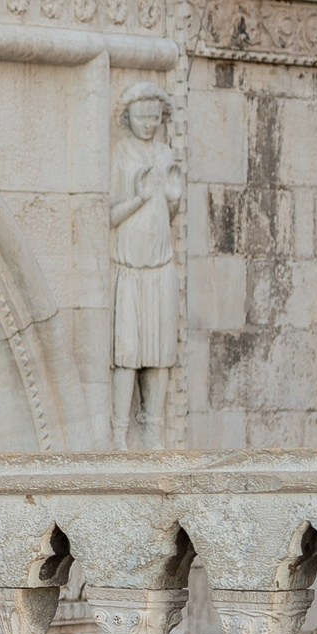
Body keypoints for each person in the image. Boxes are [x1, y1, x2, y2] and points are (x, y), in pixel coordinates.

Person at [109, 81, 183, 450]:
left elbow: (167, 213)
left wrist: (172, 197)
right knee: (128, 350)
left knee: (159, 351)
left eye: (155, 118)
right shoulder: (120, 154)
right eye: (142, 117)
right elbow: (109, 214)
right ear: (129, 117)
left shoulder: (166, 153)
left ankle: (153, 425)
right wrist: (137, 199)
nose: (149, 124)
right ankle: (119, 430)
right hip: (129, 267)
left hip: (159, 265)